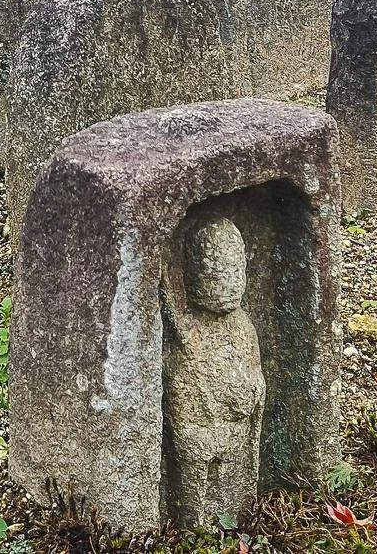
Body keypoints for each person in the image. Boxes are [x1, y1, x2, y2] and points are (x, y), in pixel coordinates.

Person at [161, 214, 265, 528]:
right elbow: (178, 389)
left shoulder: (243, 326)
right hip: (197, 433)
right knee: (194, 497)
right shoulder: (186, 330)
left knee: (232, 494)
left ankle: (234, 523)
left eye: (235, 270)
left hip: (235, 429)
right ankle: (191, 532)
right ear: (193, 274)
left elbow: (254, 371)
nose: (227, 281)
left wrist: (251, 390)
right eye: (215, 270)